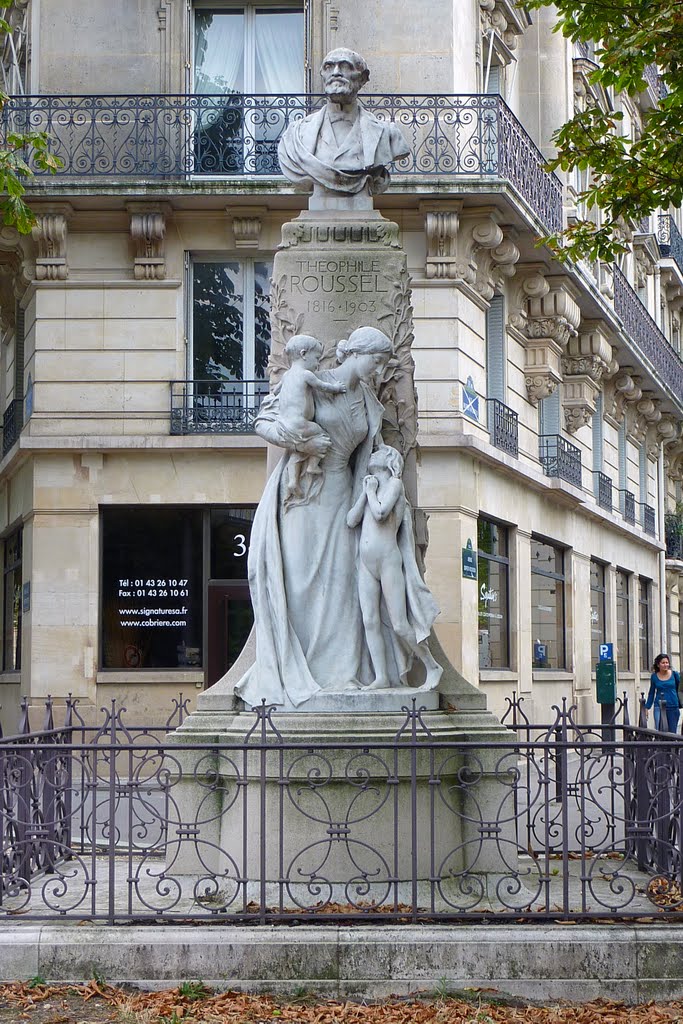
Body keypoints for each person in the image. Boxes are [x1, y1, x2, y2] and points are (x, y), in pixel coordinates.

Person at [235, 327, 395, 707]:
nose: (380, 368)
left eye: (385, 362)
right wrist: (301, 441)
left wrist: (364, 507)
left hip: (344, 495)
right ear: (356, 353)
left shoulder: (369, 401)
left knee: (341, 586)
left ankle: (343, 673)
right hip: (305, 494)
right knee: (302, 583)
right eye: (377, 360)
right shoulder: (313, 380)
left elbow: (366, 458)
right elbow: (263, 422)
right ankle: (300, 671)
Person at [346, 444, 442, 691]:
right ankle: (381, 677)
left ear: (389, 460)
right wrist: (365, 492)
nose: (374, 452)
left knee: (399, 624)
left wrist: (370, 491)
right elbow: (351, 519)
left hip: (388, 560)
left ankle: (432, 666)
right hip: (366, 563)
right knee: (370, 620)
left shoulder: (394, 485)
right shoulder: (372, 487)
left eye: (379, 451)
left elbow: (380, 513)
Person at [277, 48, 410, 197]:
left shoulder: (387, 133)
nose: (336, 72)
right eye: (329, 67)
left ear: (363, 78)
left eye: (345, 66)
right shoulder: (296, 135)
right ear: (322, 75)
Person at [278, 334, 346, 507]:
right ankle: (312, 466)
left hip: (285, 424)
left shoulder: (286, 376)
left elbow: (275, 391)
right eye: (317, 358)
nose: (318, 364)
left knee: (297, 452)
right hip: (301, 423)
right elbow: (323, 386)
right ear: (303, 354)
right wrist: (337, 388)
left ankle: (293, 481)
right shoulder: (306, 374)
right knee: (322, 436)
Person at [645, 653, 681, 732]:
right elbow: (651, 692)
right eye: (663, 663)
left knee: (672, 732)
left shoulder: (675, 675)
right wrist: (647, 707)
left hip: (673, 706)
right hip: (659, 706)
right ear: (658, 665)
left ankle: (671, 745)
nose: (665, 665)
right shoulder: (654, 676)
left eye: (667, 662)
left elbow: (680, 690)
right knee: (660, 731)